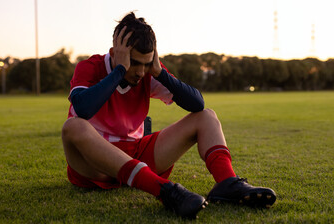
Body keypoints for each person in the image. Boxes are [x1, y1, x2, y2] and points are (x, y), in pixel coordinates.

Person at [61, 12, 276, 219]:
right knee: (73, 126)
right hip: (94, 165)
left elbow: (197, 104)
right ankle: (163, 190)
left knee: (207, 116)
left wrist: (160, 73)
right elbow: (83, 108)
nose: (140, 71)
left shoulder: (148, 72)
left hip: (136, 154)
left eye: (146, 63)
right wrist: (119, 70)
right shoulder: (90, 66)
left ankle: (228, 184)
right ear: (115, 51)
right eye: (134, 62)